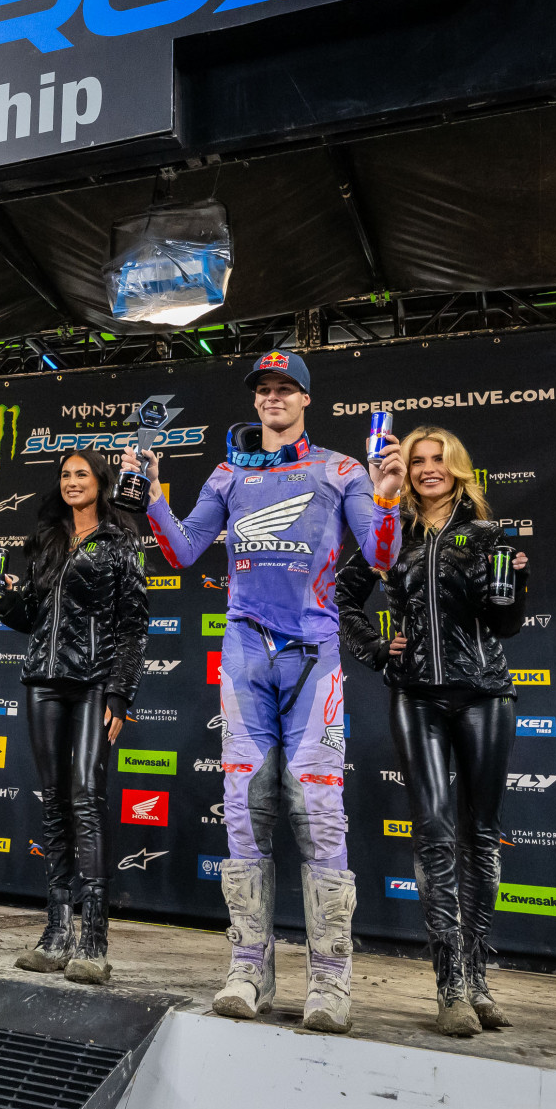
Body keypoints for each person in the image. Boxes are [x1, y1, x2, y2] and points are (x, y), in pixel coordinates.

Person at [136, 351, 404, 1033]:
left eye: (286, 389)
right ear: (255, 402)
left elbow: (380, 556)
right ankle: (249, 967)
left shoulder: (341, 469)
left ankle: (331, 979)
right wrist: (155, 498)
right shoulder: (229, 472)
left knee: (317, 807)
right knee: (242, 806)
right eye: (264, 390)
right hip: (245, 654)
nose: (274, 398)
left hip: (313, 655)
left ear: (305, 400)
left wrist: (390, 497)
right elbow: (183, 552)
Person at [335, 426, 528, 1038]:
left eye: (437, 460)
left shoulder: (491, 535)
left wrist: (515, 582)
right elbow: (339, 597)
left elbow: (510, 623)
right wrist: (377, 652)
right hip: (415, 696)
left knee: (482, 835)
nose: (426, 470)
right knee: (437, 833)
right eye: (416, 461)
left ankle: (478, 979)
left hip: (486, 695)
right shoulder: (390, 535)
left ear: (459, 468)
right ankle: (449, 988)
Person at [0, 449, 148, 984]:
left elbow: (134, 625)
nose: (72, 481)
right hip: (42, 681)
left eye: (81, 474)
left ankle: (95, 940)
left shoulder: (122, 541)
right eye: (64, 475)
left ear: (102, 482)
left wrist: (120, 694)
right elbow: (32, 617)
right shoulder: (46, 540)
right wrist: (6, 603)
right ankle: (56, 932)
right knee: (55, 800)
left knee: (85, 796)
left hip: (95, 684)